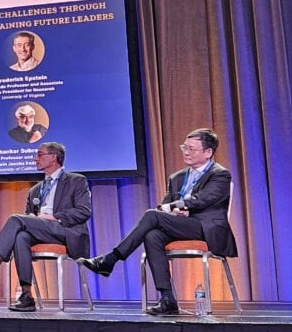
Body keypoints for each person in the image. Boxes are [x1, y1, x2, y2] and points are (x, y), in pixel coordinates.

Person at [79, 128, 236, 316]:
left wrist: (178, 207)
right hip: (178, 224)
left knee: (152, 215)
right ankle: (167, 298)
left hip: (205, 227)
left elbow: (204, 199)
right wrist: (174, 210)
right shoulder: (177, 177)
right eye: (184, 147)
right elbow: (166, 205)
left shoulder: (220, 174)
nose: (186, 152)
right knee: (152, 235)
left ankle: (110, 259)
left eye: (191, 149)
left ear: (208, 152)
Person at [0, 142, 91, 312]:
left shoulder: (76, 181)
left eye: (39, 154)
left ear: (53, 157)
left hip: (66, 231)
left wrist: (54, 217)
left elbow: (83, 211)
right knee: (21, 236)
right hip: (42, 231)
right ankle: (27, 295)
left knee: (16, 219)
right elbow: (27, 218)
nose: (35, 158)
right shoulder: (35, 190)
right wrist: (34, 218)